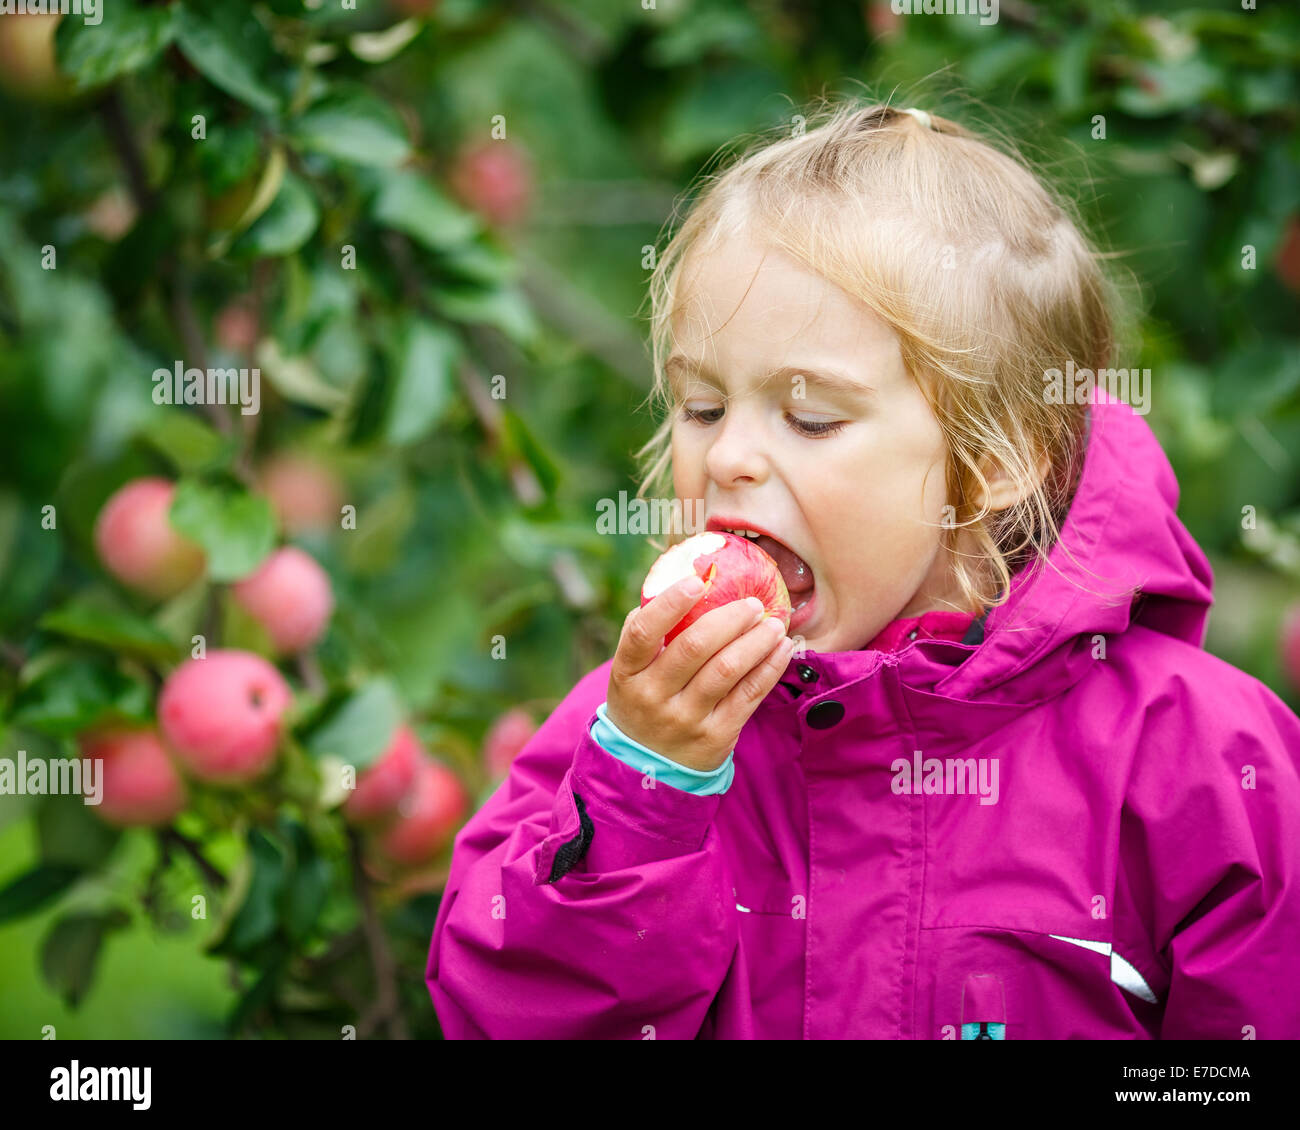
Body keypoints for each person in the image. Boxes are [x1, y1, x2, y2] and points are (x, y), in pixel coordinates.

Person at [425, 99, 1300, 1039]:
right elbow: (501, 1012)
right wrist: (646, 795)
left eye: (809, 420)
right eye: (703, 407)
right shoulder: (636, 735)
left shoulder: (1198, 762)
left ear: (997, 458)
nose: (728, 461)